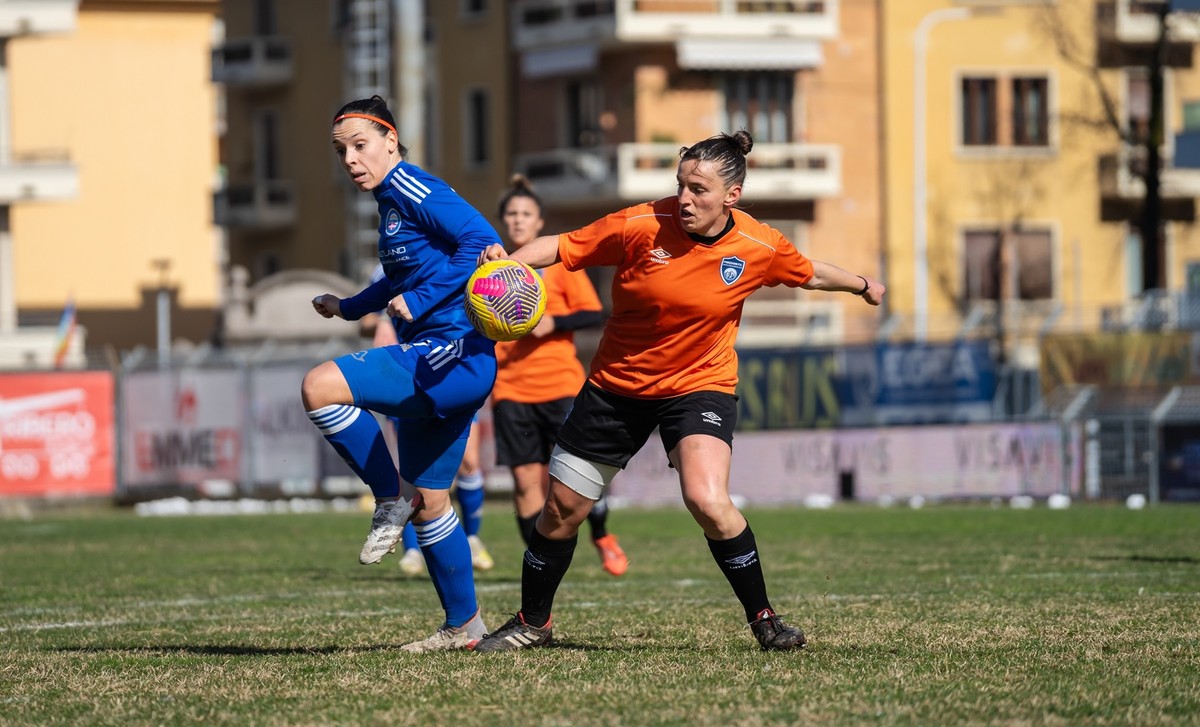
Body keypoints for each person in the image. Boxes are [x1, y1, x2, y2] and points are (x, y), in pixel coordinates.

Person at [472, 131, 884, 653]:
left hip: (699, 385)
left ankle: (765, 620)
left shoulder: (758, 245)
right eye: (681, 185)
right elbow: (560, 246)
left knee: (707, 499)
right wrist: (507, 263)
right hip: (616, 386)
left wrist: (862, 284)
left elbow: (808, 273)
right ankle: (533, 623)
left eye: (699, 189)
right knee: (560, 511)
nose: (685, 198)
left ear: (731, 196)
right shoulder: (640, 223)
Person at [303, 96, 499, 652]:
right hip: (448, 362)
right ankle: (465, 627)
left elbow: (483, 243)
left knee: (319, 387)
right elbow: (399, 277)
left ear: (391, 141)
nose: (349, 158)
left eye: (360, 145)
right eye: (341, 150)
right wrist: (349, 307)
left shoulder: (412, 187)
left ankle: (387, 495)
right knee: (433, 504)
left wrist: (426, 296)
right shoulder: (391, 201)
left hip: (451, 356)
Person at [491, 174, 628, 576]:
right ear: (504, 222)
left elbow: (593, 312)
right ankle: (540, 564)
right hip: (510, 388)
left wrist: (555, 322)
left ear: (538, 223)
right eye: (511, 214)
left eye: (525, 214)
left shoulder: (558, 264)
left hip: (561, 386)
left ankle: (602, 535)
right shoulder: (492, 271)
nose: (518, 220)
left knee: (579, 477)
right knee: (524, 482)